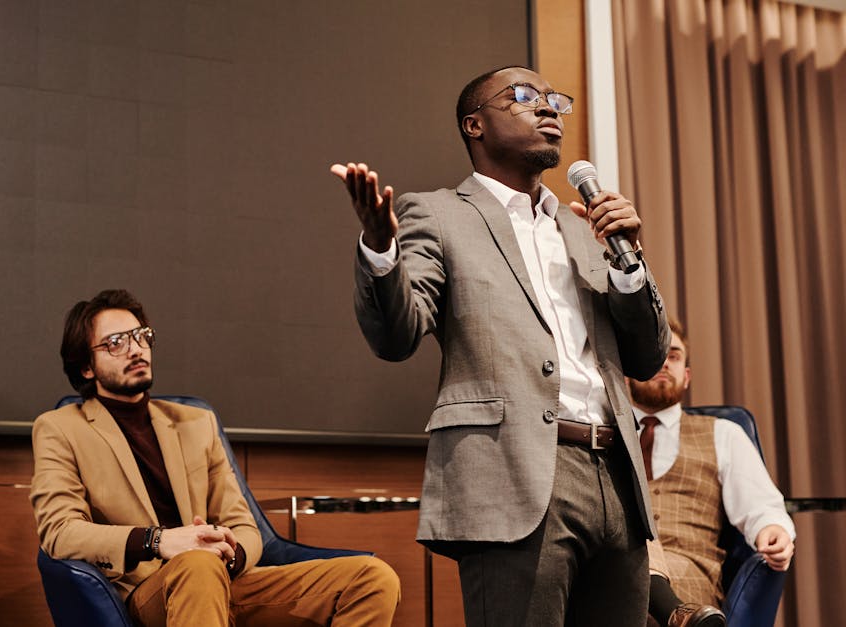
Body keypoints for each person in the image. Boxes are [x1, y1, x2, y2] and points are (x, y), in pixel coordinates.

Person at [331, 65, 670, 626]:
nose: (547, 109)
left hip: (616, 473)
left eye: (552, 100)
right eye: (522, 97)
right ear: (475, 125)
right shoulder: (437, 214)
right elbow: (396, 335)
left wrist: (631, 263)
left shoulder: (583, 225)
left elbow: (647, 358)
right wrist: (379, 247)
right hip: (515, 476)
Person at [30, 289, 401, 627]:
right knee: (195, 564)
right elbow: (60, 533)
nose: (136, 349)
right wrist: (159, 541)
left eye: (141, 336)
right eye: (115, 343)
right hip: (149, 592)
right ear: (86, 367)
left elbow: (244, 525)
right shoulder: (60, 428)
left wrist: (229, 550)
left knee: (372, 578)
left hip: (225, 578)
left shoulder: (196, 422)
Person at [631, 319, 795, 627]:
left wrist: (774, 530)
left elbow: (762, 508)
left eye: (675, 356)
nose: (665, 363)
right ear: (627, 374)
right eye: (655, 355)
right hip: (614, 568)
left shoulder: (724, 433)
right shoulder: (604, 436)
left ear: (687, 376)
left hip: (690, 579)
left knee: (624, 591)